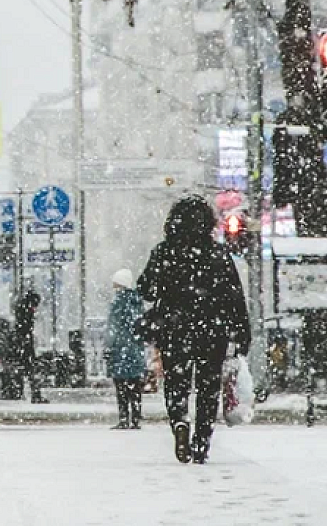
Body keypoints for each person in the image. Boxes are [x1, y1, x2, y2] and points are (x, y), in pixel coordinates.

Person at [138, 195, 251, 464]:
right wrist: (241, 332)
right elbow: (234, 296)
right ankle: (202, 441)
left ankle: (179, 421)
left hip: (174, 329)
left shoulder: (164, 252)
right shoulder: (218, 254)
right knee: (207, 387)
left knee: (176, 383)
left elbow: (146, 288)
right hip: (212, 331)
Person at [106, 268, 146, 430]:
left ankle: (124, 418)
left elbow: (113, 329)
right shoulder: (137, 302)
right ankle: (136, 418)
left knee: (121, 387)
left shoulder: (118, 303)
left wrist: (109, 345)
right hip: (135, 350)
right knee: (135, 386)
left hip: (120, 350)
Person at [13, 289, 46, 403]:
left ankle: (20, 392)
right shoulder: (26, 312)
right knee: (31, 370)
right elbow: (25, 328)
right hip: (25, 344)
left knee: (23, 369)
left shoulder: (22, 309)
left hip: (22, 344)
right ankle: (34, 395)